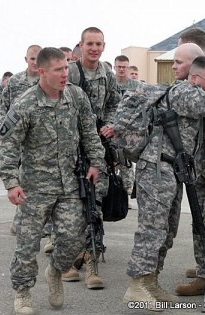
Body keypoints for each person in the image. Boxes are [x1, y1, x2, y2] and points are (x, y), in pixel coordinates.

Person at [122, 44, 205, 311]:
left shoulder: (193, 89)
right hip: (156, 168)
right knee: (152, 228)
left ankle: (151, 282)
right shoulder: (183, 91)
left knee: (167, 230)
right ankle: (136, 286)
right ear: (196, 78)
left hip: (173, 169)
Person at [0, 47, 104, 315]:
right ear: (42, 71)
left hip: (70, 184)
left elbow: (89, 132)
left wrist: (95, 162)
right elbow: (9, 145)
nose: (65, 74)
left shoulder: (76, 96)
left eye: (66, 67)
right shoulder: (25, 103)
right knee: (27, 244)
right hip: (34, 188)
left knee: (72, 239)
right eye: (58, 69)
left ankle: (55, 271)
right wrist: (11, 182)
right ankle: (22, 291)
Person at [66, 26, 122, 289]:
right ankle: (69, 258)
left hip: (97, 148)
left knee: (94, 204)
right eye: (89, 43)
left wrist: (109, 125)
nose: (94, 48)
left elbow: (115, 104)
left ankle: (92, 263)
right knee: (71, 206)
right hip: (70, 149)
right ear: (81, 45)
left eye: (99, 44)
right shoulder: (70, 73)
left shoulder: (107, 75)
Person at [0, 44, 42, 237]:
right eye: (32, 58)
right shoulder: (15, 82)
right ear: (26, 59)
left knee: (33, 181)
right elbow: (2, 110)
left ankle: (25, 221)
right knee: (21, 180)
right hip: (17, 140)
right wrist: (1, 132)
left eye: (38, 59)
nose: (35, 62)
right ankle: (20, 220)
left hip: (38, 140)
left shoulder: (46, 80)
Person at [114, 55, 140, 195]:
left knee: (126, 164)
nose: (122, 70)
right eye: (119, 67)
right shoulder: (109, 83)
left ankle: (126, 192)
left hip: (128, 131)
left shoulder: (135, 86)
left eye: (124, 67)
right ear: (115, 67)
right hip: (110, 129)